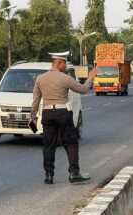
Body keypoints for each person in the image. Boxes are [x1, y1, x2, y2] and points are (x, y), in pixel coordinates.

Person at [30, 51, 94, 185]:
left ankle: (49, 175)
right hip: (62, 112)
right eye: (64, 63)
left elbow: (35, 100)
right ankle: (74, 173)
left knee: (49, 145)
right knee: (70, 142)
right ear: (59, 63)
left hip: (47, 113)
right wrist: (90, 78)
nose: (65, 66)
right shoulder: (65, 78)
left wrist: (33, 117)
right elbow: (82, 89)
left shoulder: (40, 79)